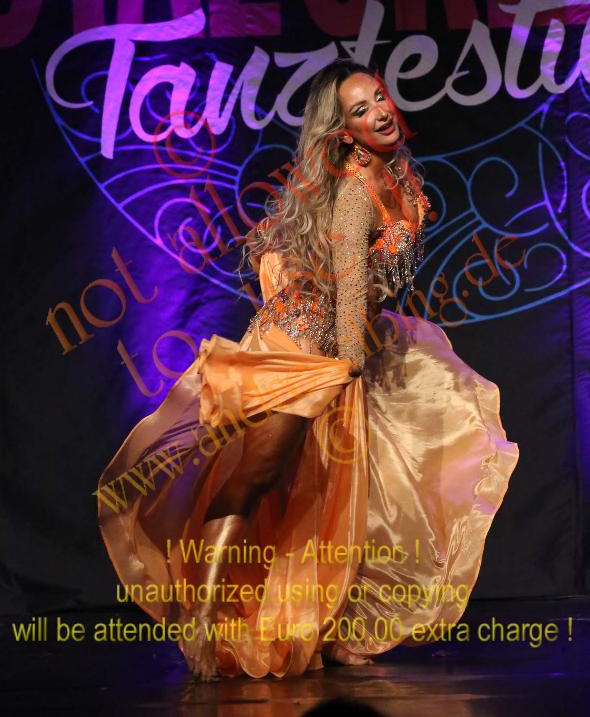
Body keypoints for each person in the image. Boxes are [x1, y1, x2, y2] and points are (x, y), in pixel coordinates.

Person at [97, 59, 519, 681]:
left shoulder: (401, 176)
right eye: (360, 110)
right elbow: (347, 292)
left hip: (347, 342)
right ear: (344, 132)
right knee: (256, 478)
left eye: (380, 97)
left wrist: (357, 355)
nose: (380, 112)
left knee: (352, 485)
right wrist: (347, 363)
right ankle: (200, 623)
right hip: (302, 348)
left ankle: (330, 624)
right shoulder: (354, 196)